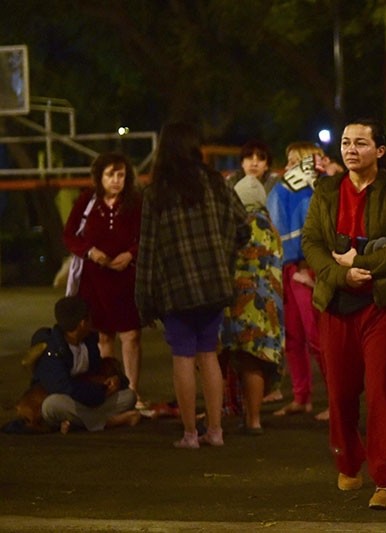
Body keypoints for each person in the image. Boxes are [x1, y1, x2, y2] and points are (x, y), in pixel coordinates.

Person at [301, 118, 386, 510]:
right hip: (336, 303)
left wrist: (363, 262)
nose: (351, 149)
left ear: (379, 151)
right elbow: (311, 241)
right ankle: (349, 461)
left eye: (362, 143)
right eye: (347, 143)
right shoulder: (326, 190)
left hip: (383, 305)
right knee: (339, 392)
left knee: (385, 392)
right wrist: (341, 273)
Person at [135, 121, 249, 449]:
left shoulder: (156, 192)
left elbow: (148, 249)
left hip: (176, 288)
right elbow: (243, 227)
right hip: (214, 285)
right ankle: (216, 431)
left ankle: (189, 434)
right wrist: (221, 255)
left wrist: (144, 299)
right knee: (209, 353)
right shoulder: (216, 183)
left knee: (183, 356)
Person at [62, 152, 144, 407]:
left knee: (130, 335)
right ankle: (112, 390)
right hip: (95, 279)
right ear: (99, 176)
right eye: (111, 175)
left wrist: (130, 254)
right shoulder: (87, 200)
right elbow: (70, 235)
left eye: (121, 175)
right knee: (104, 336)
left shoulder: (135, 202)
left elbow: (145, 235)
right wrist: (90, 252)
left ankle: (132, 392)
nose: (116, 180)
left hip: (126, 278)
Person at [219, 174, 284, 434]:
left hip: (238, 302)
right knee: (256, 361)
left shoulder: (235, 223)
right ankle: (253, 419)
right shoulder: (271, 226)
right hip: (267, 306)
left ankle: (232, 416)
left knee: (236, 359)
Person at [267, 141, 327, 420]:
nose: (288, 166)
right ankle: (301, 397)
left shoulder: (318, 190)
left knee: (317, 338)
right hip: (289, 268)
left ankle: (336, 402)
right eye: (288, 160)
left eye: (294, 161)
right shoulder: (287, 192)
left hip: (309, 269)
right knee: (292, 337)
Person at [30, 296, 140, 433]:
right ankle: (108, 422)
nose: (93, 323)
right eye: (90, 318)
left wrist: (114, 381)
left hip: (86, 400)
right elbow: (62, 387)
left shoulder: (88, 342)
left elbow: (97, 371)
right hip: (67, 399)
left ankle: (79, 422)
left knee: (129, 396)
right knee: (52, 405)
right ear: (83, 323)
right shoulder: (52, 348)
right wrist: (100, 393)